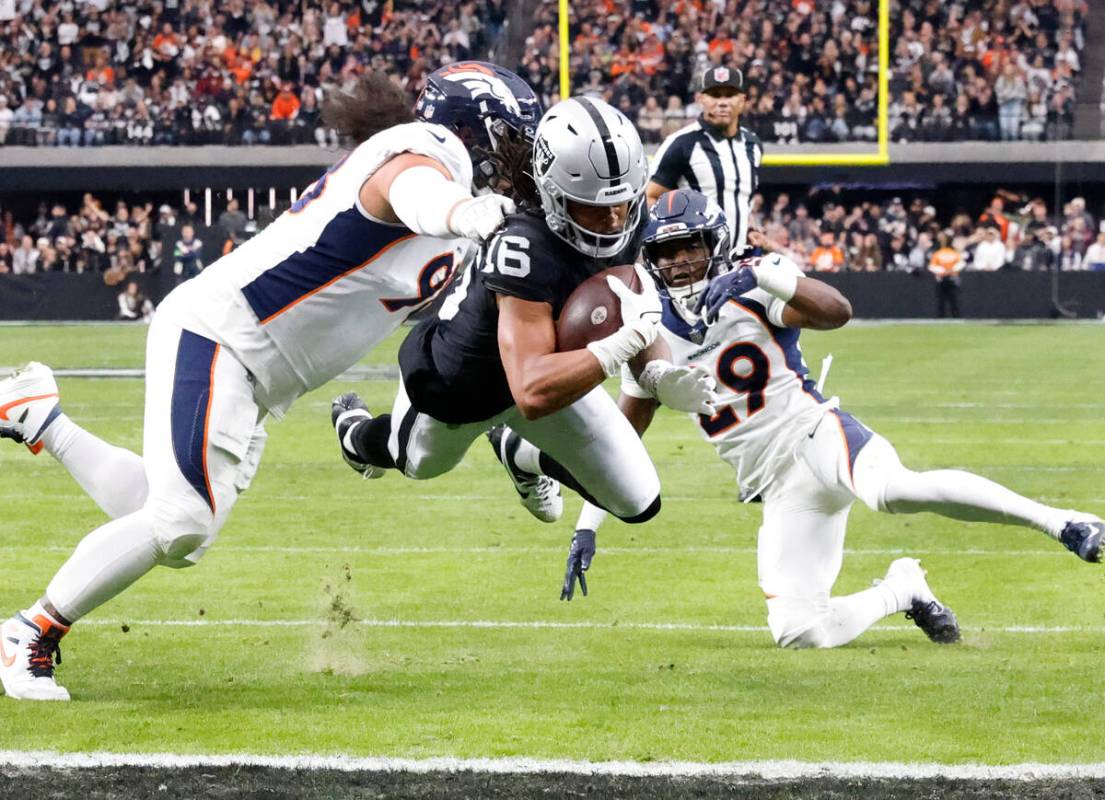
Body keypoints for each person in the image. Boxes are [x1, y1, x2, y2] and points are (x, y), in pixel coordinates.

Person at [0, 63, 541, 702]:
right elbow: (411, 191)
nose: (515, 160)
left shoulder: (456, 208)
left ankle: (41, 420)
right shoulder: (424, 156)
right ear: (470, 128)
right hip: (221, 336)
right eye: (508, 140)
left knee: (175, 533)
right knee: (182, 520)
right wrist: (464, 211)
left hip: (255, 372)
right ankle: (27, 635)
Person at [502, 189, 1104, 649]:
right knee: (799, 631)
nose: (682, 262)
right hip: (773, 484)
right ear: (651, 259)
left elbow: (837, 310)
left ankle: (1063, 522)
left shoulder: (751, 288)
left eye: (690, 248)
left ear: (713, 244)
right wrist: (588, 525)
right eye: (667, 251)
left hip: (814, 433)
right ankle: (903, 589)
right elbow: (623, 440)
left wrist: (766, 271)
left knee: (895, 491)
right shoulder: (647, 329)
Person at [331, 97, 718, 533]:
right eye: (594, 205)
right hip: (462, 384)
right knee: (414, 462)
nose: (612, 218)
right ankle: (351, 430)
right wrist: (621, 346)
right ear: (555, 195)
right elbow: (532, 388)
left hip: (556, 370)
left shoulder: (626, 213)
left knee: (638, 500)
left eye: (623, 202)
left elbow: (630, 310)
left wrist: (658, 374)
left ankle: (517, 450)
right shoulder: (524, 246)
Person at [646, 66, 763, 256]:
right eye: (715, 95)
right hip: (696, 265)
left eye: (730, 95)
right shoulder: (681, 143)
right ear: (700, 99)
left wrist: (749, 228)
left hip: (740, 262)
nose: (722, 102)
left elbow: (742, 200)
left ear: (743, 100)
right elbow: (650, 198)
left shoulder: (753, 144)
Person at [928, 232, 963, 317]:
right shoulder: (938, 253)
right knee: (940, 300)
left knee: (954, 299)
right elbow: (932, 266)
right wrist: (942, 271)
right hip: (941, 279)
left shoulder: (954, 252)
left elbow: (960, 264)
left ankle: (956, 317)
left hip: (952, 279)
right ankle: (940, 317)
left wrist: (951, 270)